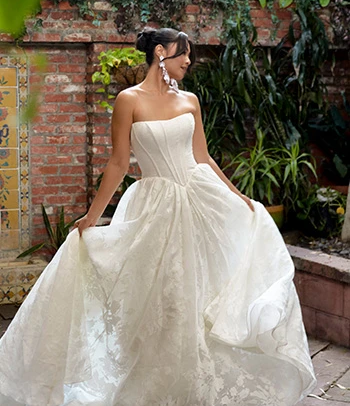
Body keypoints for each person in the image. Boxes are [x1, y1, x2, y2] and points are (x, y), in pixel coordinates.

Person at [0, 27, 316, 406]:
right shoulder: (128, 100)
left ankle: (194, 386)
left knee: (199, 295)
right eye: (184, 54)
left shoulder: (191, 100)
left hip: (200, 201)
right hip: (156, 208)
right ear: (161, 52)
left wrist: (239, 197)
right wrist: (92, 216)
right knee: (162, 300)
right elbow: (118, 163)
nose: (188, 62)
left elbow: (204, 156)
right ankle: (154, 385)